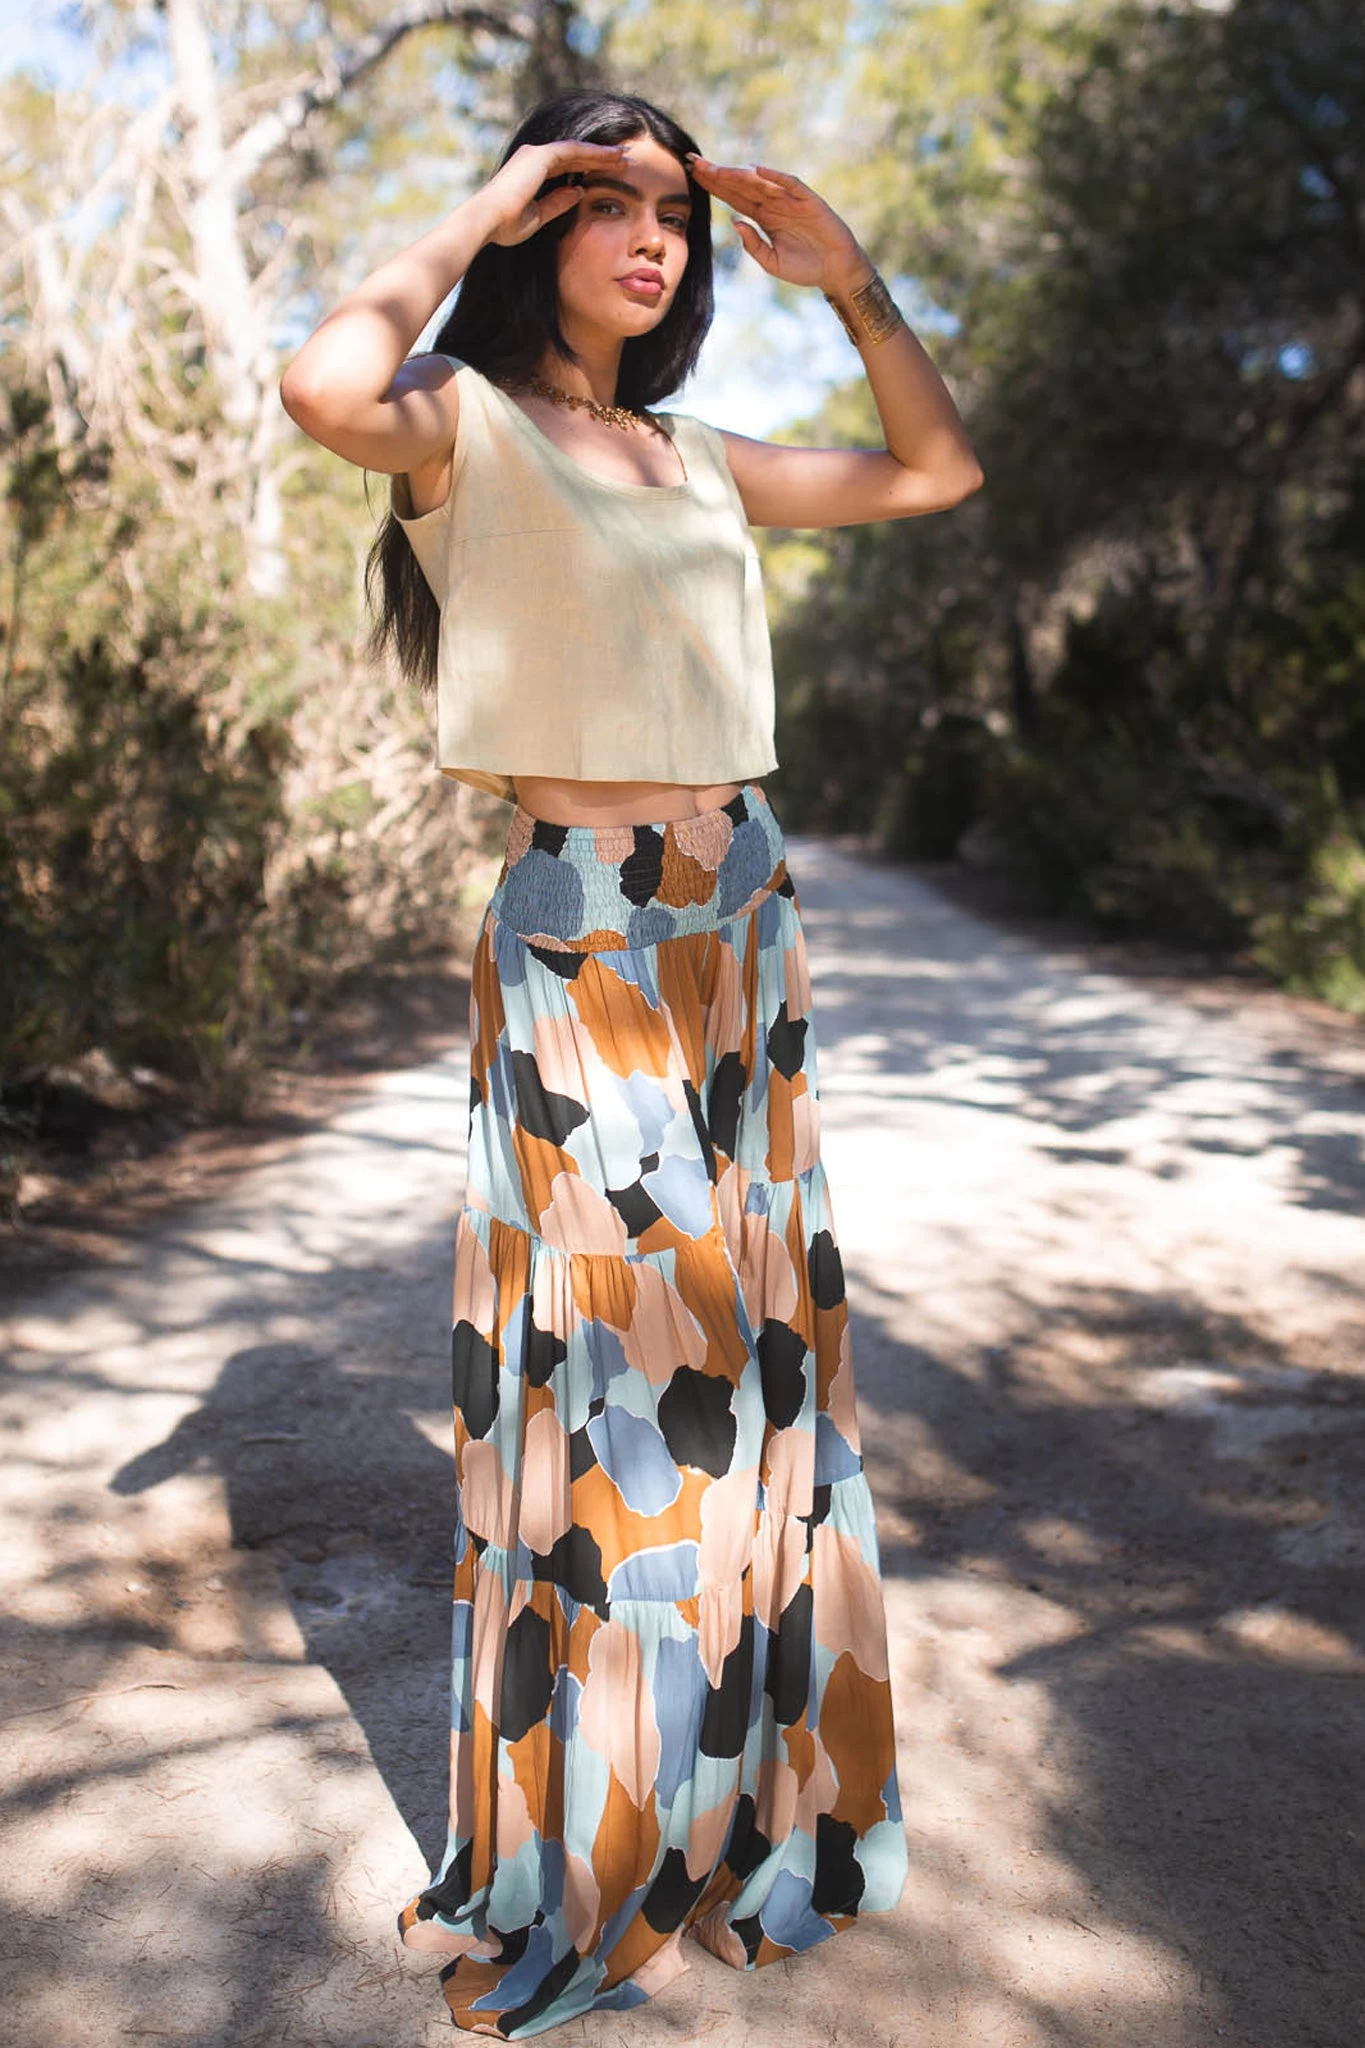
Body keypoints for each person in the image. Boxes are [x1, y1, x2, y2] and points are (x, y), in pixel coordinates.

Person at [280, 85, 981, 2042]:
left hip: (740, 924)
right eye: (606, 201)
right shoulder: (463, 422)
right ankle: (596, 1861)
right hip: (584, 930)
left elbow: (935, 469)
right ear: (540, 231)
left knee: (754, 1391)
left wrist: (853, 284)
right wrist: (494, 193)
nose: (651, 233)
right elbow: (322, 385)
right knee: (620, 1407)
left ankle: (745, 1829)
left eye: (669, 206)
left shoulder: (697, 454)